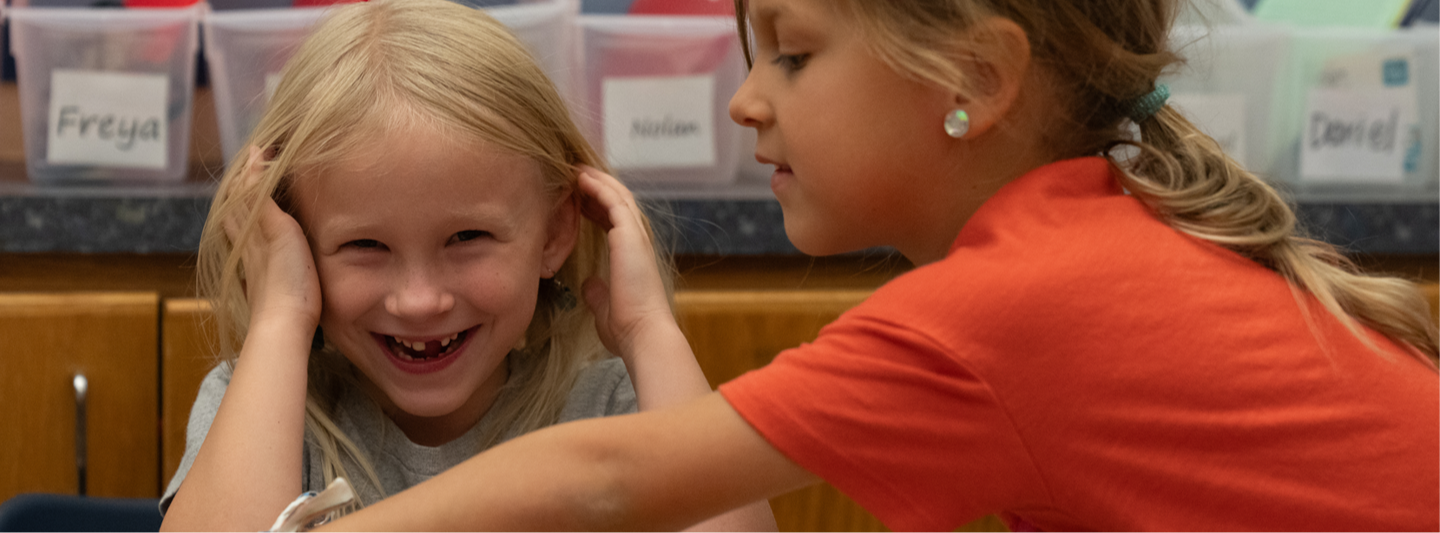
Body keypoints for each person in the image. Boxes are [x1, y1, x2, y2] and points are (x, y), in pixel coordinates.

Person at [314, 0, 1440, 531]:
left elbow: (608, 477)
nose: (746, 100)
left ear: (974, 80)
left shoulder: (1003, 308)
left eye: (795, 57)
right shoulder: (1091, 234)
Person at [156, 1, 777, 532]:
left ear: (556, 230)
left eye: (468, 237)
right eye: (365, 247)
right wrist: (280, 316)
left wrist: (648, 330)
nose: (420, 300)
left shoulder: (618, 405)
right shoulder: (264, 404)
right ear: (293, 240)